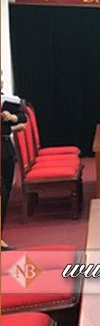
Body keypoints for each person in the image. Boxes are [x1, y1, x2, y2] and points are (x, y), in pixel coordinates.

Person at [2, 71, 27, 229]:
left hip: (5, 151)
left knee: (5, 195)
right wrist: (13, 128)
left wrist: (13, 118)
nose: (1, 82)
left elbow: (23, 117)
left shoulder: (5, 100)